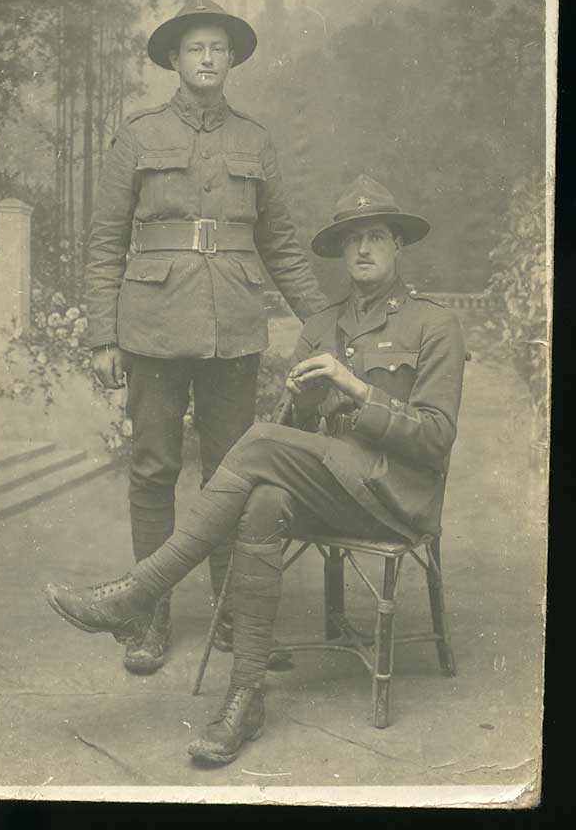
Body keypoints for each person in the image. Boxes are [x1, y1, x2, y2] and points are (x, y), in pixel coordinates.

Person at [46, 175, 467, 766]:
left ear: (398, 245)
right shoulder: (321, 326)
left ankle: (143, 591)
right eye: (351, 241)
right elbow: (298, 436)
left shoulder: (433, 324)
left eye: (376, 237)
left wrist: (354, 389)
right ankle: (244, 699)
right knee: (265, 497)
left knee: (261, 444)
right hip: (337, 486)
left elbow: (436, 438)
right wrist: (301, 404)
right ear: (341, 253)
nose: (363, 250)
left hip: (398, 494)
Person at [84, 0, 328, 676]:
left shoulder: (254, 140)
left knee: (233, 473)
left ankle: (229, 616)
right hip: (153, 325)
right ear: (173, 58)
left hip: (233, 328)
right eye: (196, 47)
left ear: (230, 61)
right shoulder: (137, 135)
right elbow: (105, 244)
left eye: (218, 48)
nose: (208, 58)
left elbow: (278, 241)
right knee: (154, 468)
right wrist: (102, 335)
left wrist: (320, 320)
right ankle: (146, 617)